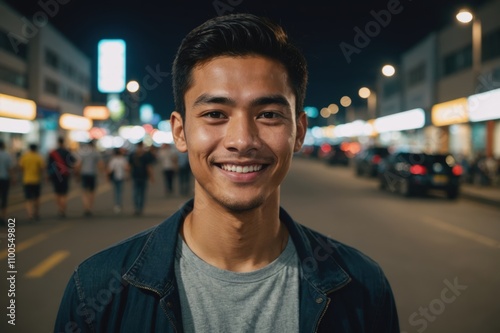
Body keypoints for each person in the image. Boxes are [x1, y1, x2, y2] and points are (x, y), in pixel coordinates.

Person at [55, 14, 400, 332]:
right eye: (215, 114)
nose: (242, 141)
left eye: (268, 115)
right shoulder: (98, 289)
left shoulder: (363, 287)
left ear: (299, 131)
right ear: (179, 132)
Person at [47, 136, 77, 218]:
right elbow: (73, 163)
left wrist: (49, 175)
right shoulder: (67, 152)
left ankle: (60, 208)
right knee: (64, 193)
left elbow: (49, 165)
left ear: (57, 142)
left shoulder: (53, 153)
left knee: (57, 193)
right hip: (65, 175)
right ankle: (63, 209)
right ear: (63, 142)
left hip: (55, 175)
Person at [75, 140, 104, 216]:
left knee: (84, 192)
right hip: (93, 174)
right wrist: (102, 173)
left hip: (84, 174)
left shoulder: (82, 152)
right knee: (92, 192)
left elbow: (78, 164)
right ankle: (90, 208)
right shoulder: (96, 152)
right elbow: (100, 164)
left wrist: (77, 174)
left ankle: (86, 208)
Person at [18, 143, 45, 221]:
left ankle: (30, 214)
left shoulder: (25, 157)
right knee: (36, 198)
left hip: (27, 180)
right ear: (36, 149)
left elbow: (21, 167)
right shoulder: (38, 157)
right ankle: (36, 213)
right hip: (36, 180)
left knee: (28, 198)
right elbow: (42, 168)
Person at [128, 141, 154, 215]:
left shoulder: (145, 155)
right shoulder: (133, 155)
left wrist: (151, 176)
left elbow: (148, 167)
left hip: (142, 176)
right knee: (136, 193)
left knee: (141, 193)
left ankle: (139, 208)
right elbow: (129, 166)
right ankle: (137, 207)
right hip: (136, 176)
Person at [107, 147, 129, 213]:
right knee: (120, 191)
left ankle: (117, 204)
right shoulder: (123, 159)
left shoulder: (113, 160)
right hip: (121, 177)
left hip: (115, 177)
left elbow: (109, 170)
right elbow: (126, 168)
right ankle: (119, 204)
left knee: (116, 192)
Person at [0, 140, 14, 224]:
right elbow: (10, 168)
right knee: (4, 198)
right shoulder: (6, 155)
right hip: (4, 179)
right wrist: (13, 178)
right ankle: (2, 217)